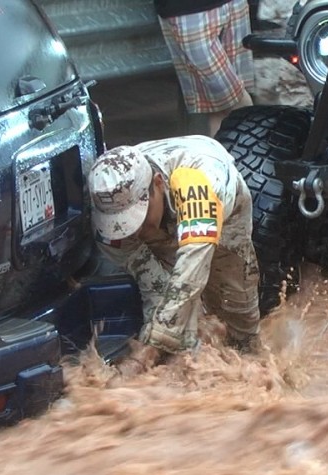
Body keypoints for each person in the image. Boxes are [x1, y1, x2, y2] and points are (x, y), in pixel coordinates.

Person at [88, 136, 261, 374]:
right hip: (169, 219)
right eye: (123, 225)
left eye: (138, 218)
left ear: (158, 184)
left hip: (222, 210)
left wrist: (146, 352)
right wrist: (161, 352)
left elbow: (193, 268)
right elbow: (156, 289)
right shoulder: (106, 218)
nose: (135, 231)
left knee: (235, 307)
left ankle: (254, 366)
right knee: (173, 323)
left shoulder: (201, 180)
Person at [154, 0, 255, 136]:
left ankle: (228, 155)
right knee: (237, 103)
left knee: (218, 108)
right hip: (186, 11)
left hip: (234, 4)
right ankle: (258, 150)